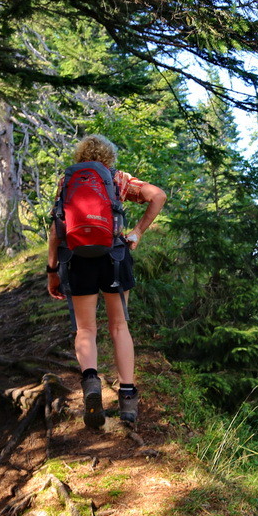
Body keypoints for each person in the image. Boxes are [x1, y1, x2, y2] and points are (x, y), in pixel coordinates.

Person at [46, 134, 166, 428]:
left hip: (76, 258)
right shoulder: (116, 178)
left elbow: (56, 229)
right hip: (113, 257)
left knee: (85, 328)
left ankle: (91, 382)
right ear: (108, 157)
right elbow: (158, 195)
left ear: (80, 155)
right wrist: (137, 231)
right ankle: (127, 399)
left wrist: (52, 270)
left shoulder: (68, 180)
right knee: (118, 326)